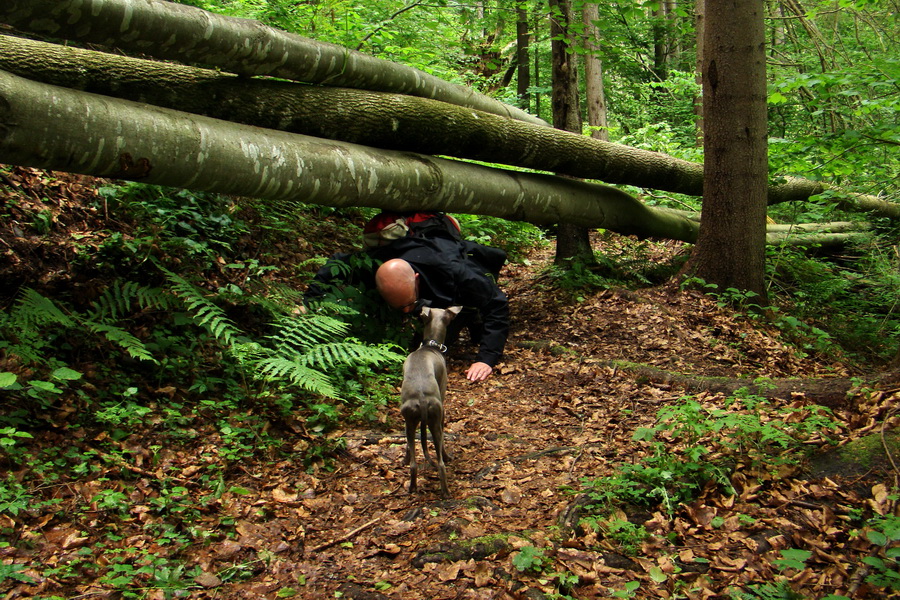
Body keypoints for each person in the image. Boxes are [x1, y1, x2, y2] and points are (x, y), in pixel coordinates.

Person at [304, 211, 509, 381]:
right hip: (424, 268)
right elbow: (336, 264)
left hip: (451, 272)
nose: (407, 312)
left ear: (416, 279)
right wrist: (309, 303)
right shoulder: (378, 260)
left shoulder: (458, 272)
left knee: (466, 321)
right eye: (400, 308)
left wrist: (486, 359)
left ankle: (472, 319)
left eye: (410, 304)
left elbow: (497, 304)